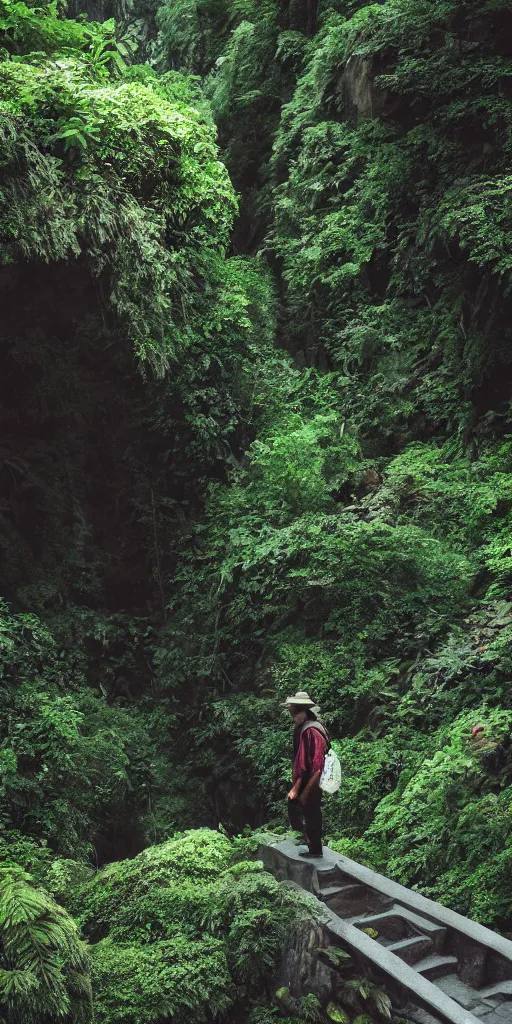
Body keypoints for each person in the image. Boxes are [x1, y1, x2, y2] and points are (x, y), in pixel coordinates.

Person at [282, 690, 328, 859]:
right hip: (307, 777)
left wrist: (307, 789)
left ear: (298, 709)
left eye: (292, 709)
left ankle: (315, 850)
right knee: (304, 810)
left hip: (313, 778)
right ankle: (312, 845)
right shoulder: (304, 727)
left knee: (312, 811)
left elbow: (317, 765)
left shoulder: (311, 731)